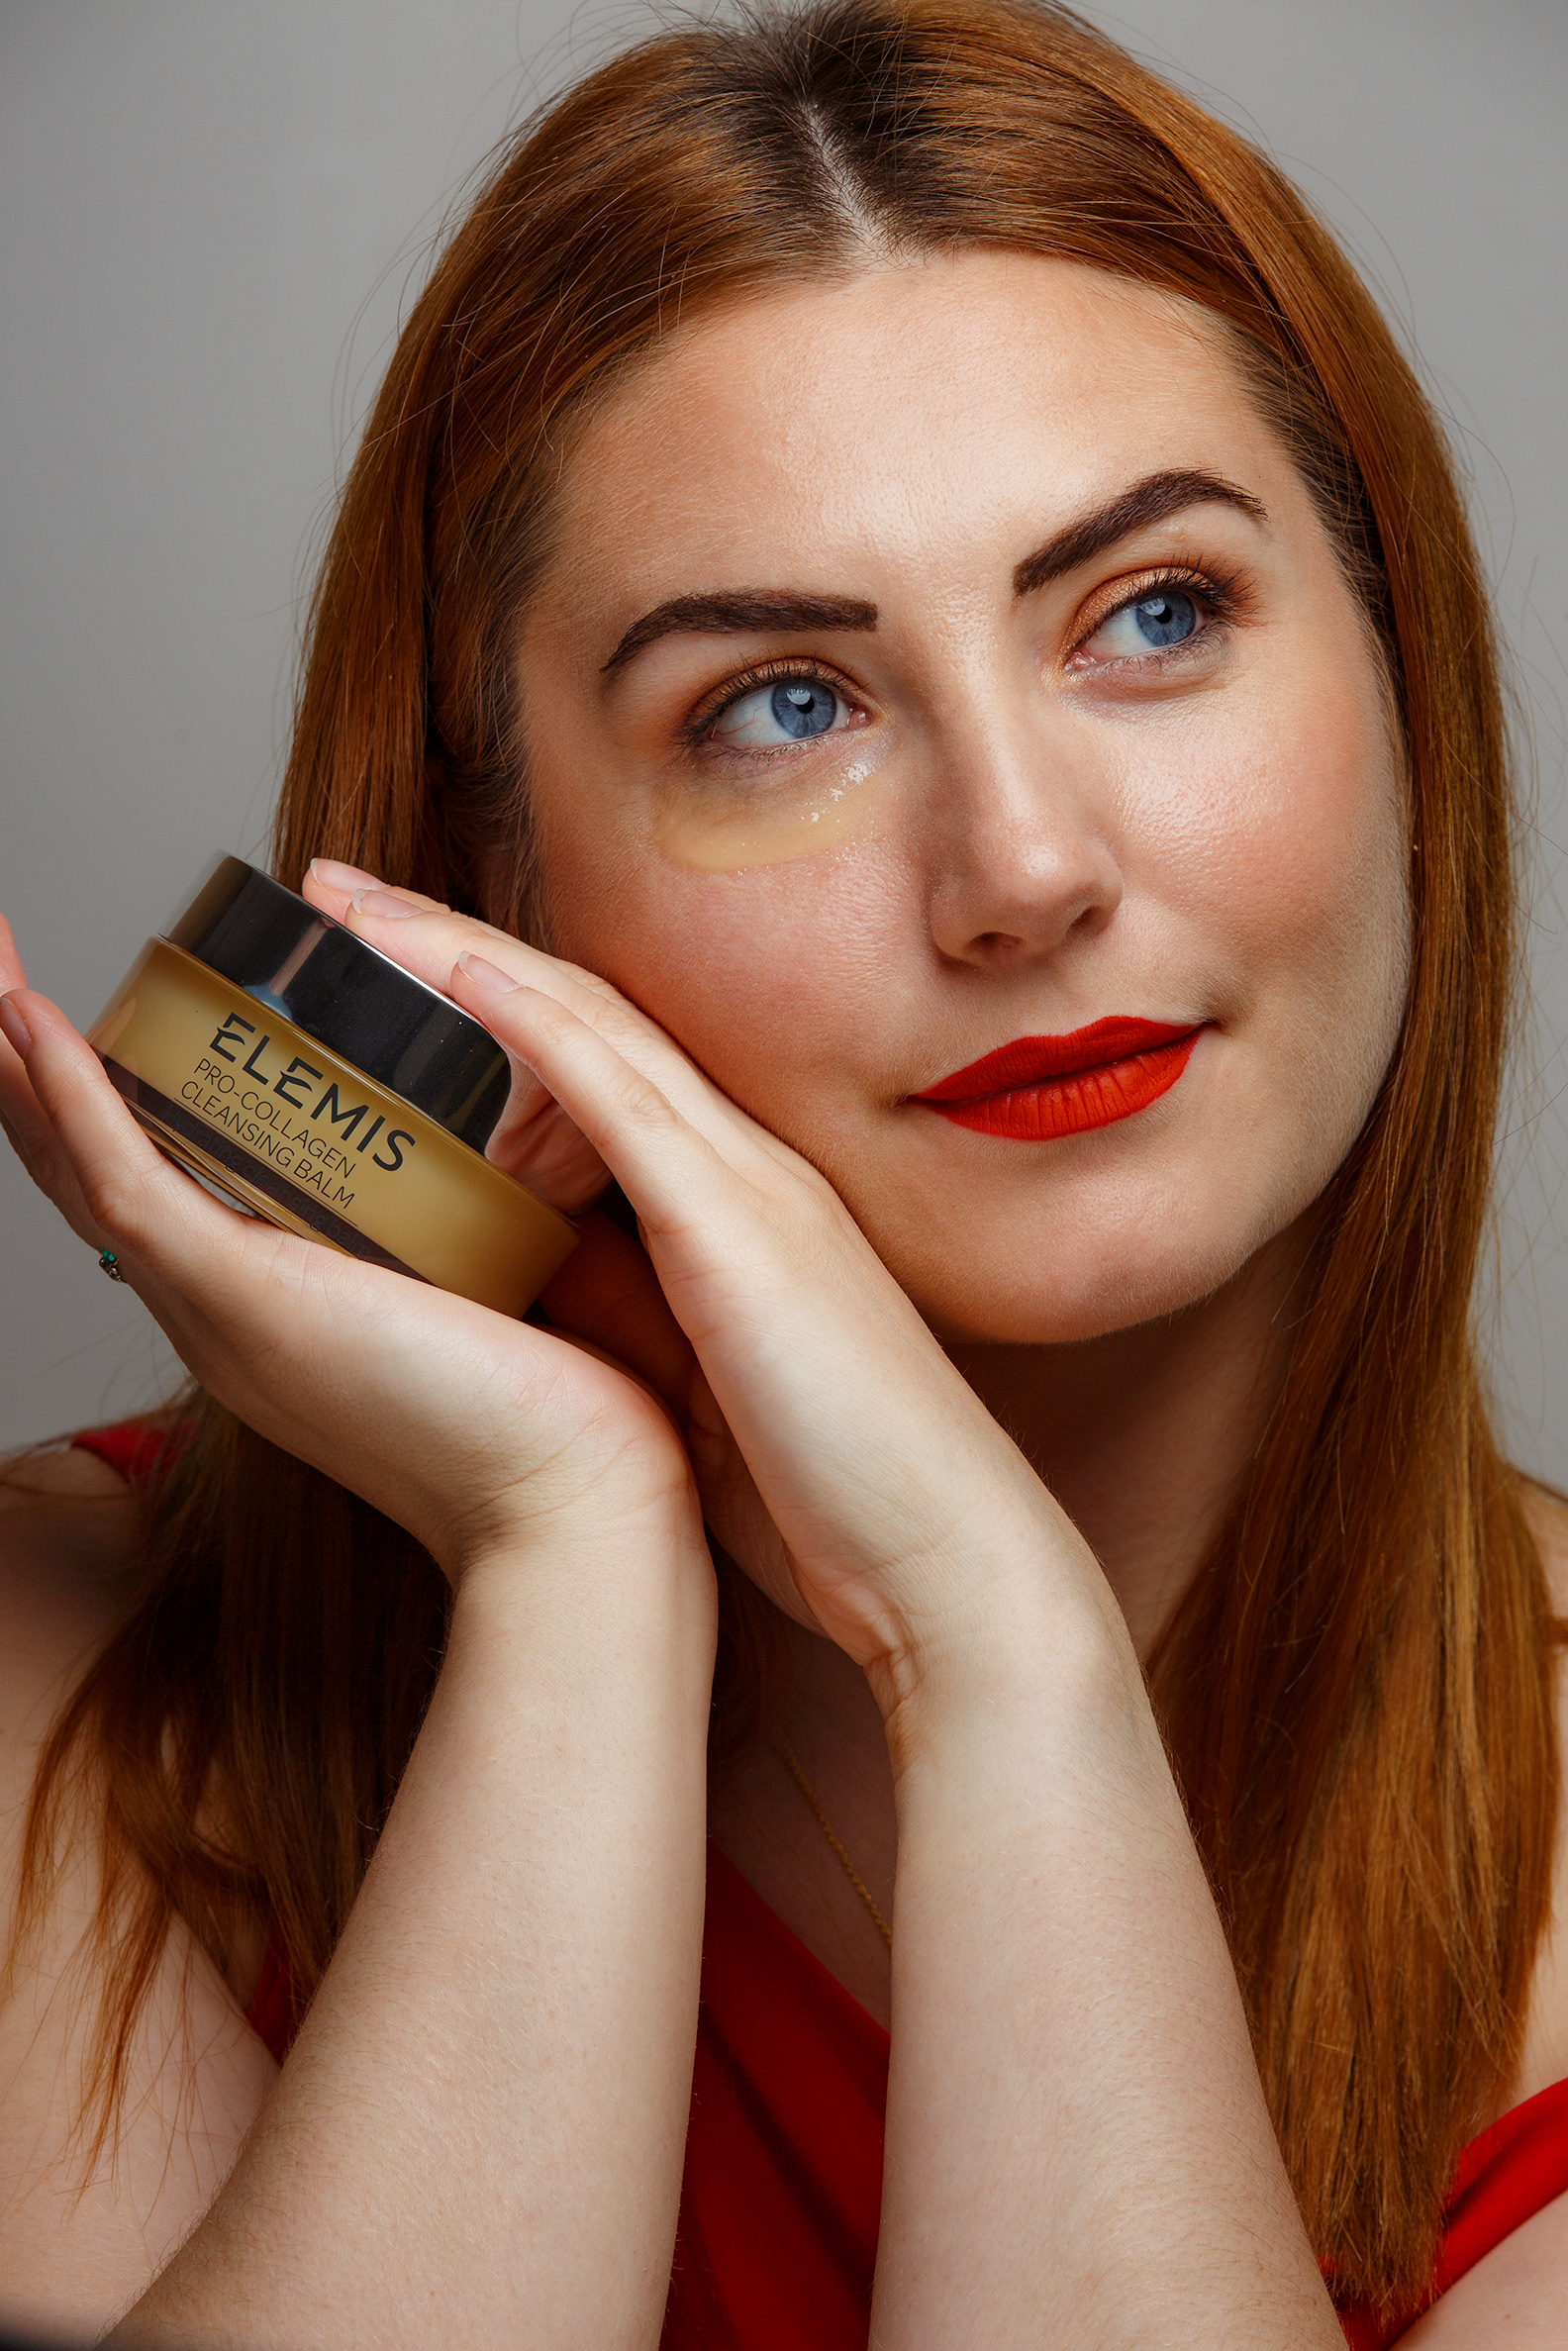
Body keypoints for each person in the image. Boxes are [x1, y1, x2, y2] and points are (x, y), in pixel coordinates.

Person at [1, 0, 1563, 2340]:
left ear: (1404, 683)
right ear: (495, 889)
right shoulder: (58, 1683)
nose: (1021, 869)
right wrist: (572, 1555)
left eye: (1156, 616)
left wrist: (992, 1648)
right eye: (780, 707)